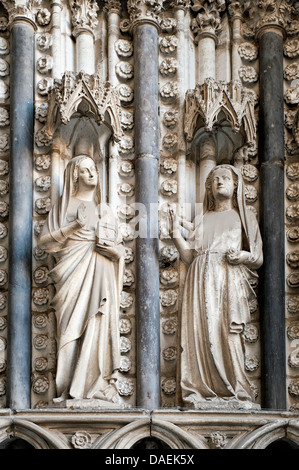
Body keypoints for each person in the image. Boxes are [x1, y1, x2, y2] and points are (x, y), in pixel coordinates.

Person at [168, 164, 263, 407]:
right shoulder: (202, 218)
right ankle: (200, 389)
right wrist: (174, 234)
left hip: (227, 279)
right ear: (208, 187)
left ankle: (236, 389)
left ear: (236, 185)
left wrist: (242, 257)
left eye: (224, 178)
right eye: (213, 179)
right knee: (199, 333)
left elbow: (258, 258)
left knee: (226, 333)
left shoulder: (243, 216)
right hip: (198, 279)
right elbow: (189, 257)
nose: (218, 182)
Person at [39, 154, 124, 403]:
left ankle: (97, 385)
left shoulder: (105, 210)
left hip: (103, 274)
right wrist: (74, 227)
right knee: (69, 330)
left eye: (94, 169)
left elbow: (119, 249)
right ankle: (69, 388)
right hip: (73, 274)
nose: (92, 174)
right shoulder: (65, 207)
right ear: (74, 176)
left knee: (99, 322)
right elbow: (44, 242)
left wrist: (116, 252)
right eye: (86, 170)